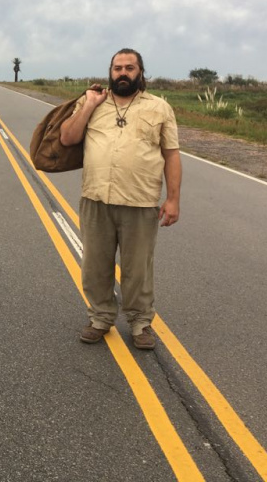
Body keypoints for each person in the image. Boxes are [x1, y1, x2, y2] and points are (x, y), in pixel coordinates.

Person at [59, 48, 181, 350]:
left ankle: (140, 322)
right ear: (110, 72)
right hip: (96, 198)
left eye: (129, 67)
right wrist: (89, 105)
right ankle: (100, 318)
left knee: (137, 269)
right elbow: (67, 137)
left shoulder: (160, 108)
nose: (122, 73)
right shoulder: (91, 102)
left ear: (140, 72)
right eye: (117, 68)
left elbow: (171, 155)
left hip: (140, 202)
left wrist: (173, 199)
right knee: (95, 266)